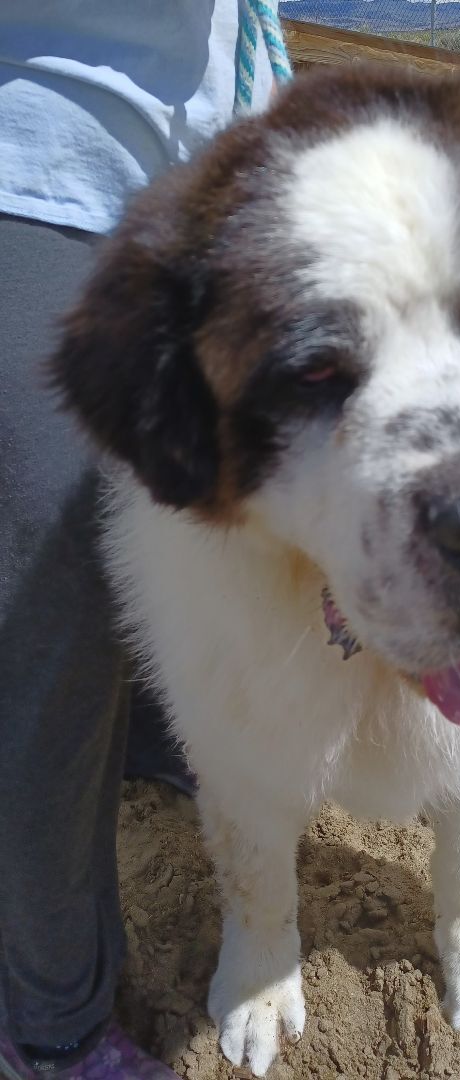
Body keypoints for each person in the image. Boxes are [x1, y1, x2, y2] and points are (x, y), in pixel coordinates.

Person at [0, 4, 277, 1076]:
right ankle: (50, 1024)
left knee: (181, 513)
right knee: (50, 621)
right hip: (35, 150)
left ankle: (152, 737)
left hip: (190, 181)